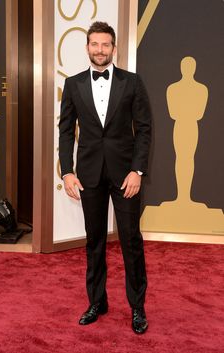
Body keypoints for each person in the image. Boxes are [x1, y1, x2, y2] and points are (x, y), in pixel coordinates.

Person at [59, 21, 152, 334]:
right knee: (94, 242)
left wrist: (137, 170)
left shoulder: (133, 82)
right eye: (94, 44)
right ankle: (97, 301)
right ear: (87, 47)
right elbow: (65, 132)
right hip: (88, 175)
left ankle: (137, 307)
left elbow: (144, 129)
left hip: (126, 175)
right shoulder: (73, 85)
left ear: (114, 48)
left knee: (131, 241)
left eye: (105, 45)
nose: (100, 50)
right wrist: (67, 171)